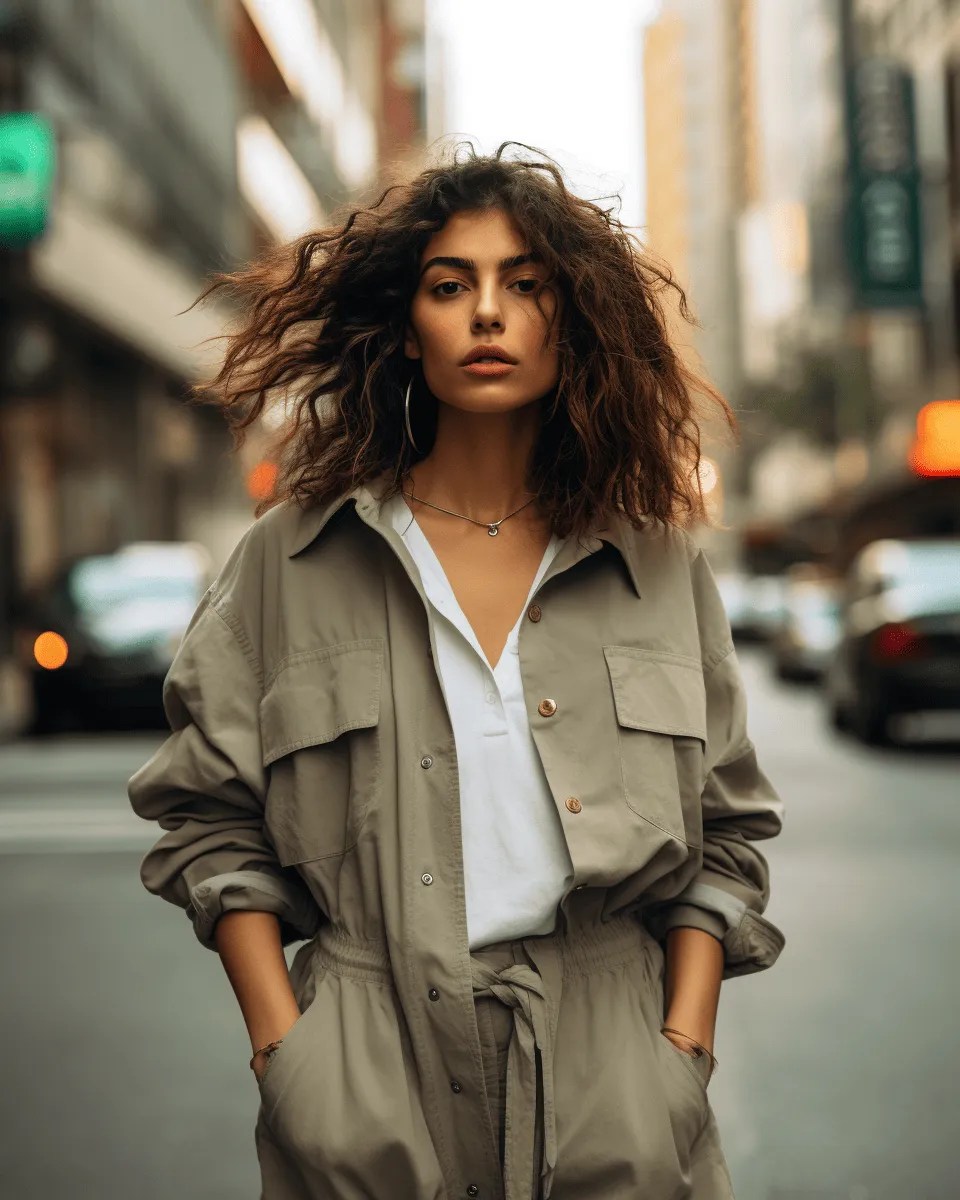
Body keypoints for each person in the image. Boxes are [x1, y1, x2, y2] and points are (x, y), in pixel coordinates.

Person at [128, 142, 786, 1200]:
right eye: (451, 285)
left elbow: (728, 833)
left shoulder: (655, 565)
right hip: (368, 1077)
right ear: (405, 324)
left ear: (570, 326)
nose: (488, 312)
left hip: (615, 1082)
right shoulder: (290, 559)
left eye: (525, 286)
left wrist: (680, 1049)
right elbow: (208, 818)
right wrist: (288, 1056)